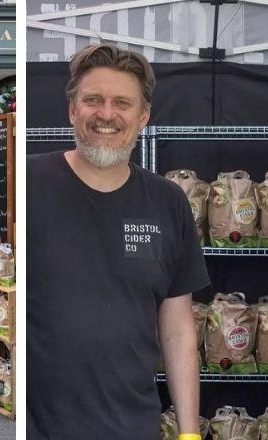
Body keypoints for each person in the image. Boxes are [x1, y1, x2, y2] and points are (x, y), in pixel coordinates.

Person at [27, 43, 208, 439]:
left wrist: (190, 432)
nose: (106, 114)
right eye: (93, 100)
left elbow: (177, 329)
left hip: (133, 426)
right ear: (73, 110)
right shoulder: (27, 184)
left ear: (143, 116)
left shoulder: (167, 202)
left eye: (122, 103)